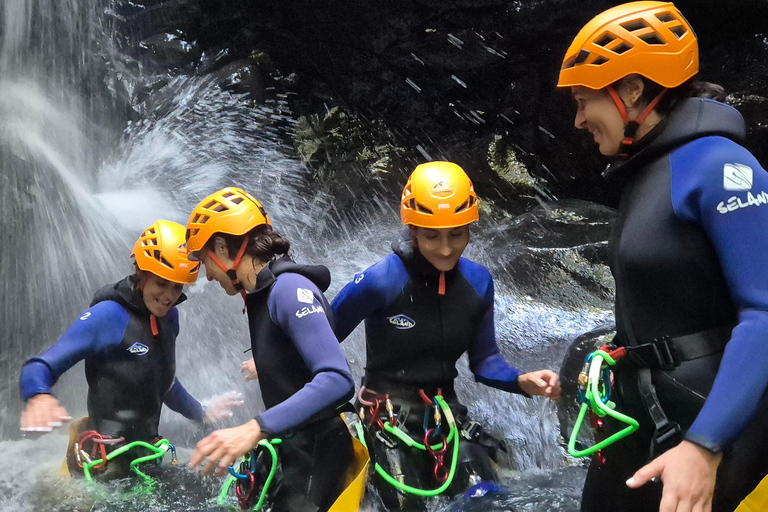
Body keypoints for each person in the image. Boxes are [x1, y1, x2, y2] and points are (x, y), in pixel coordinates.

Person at [557, 2, 768, 512]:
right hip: (646, 414)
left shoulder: (720, 166)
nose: (579, 118)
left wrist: (704, 445)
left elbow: (763, 315)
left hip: (713, 427)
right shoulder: (646, 172)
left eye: (586, 100)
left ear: (633, 90)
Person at [331, 161, 561, 510]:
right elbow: (322, 334)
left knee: (488, 503)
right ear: (413, 231)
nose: (445, 249)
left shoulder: (479, 283)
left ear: (470, 228)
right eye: (431, 236)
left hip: (446, 418)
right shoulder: (380, 281)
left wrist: (521, 380)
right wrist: (279, 361)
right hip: (386, 419)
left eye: (457, 234)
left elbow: (484, 362)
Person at [184, 187, 363, 512]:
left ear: (223, 247)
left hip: (317, 451)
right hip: (294, 446)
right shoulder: (262, 293)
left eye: (205, 261)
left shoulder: (289, 289)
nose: (207, 275)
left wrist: (254, 429)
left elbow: (337, 379)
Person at [19, 219, 241, 478]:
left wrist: (200, 411)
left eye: (177, 286)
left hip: (145, 452)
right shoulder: (108, 315)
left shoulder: (169, 318)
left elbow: (162, 381)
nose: (169, 296)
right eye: (161, 283)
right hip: (100, 460)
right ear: (142, 275)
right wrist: (38, 396)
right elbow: (41, 365)